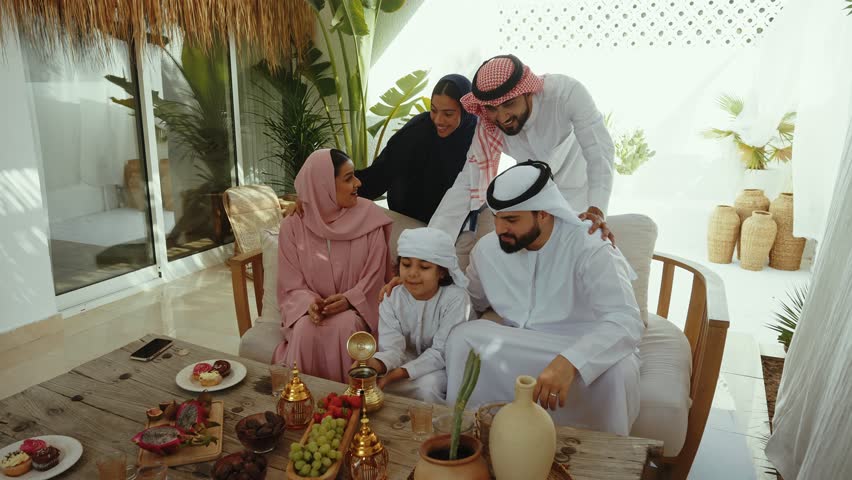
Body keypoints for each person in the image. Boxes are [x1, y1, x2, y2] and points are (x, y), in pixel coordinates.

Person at [444, 161, 643, 435]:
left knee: (618, 371)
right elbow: (468, 300)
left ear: (544, 214)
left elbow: (626, 321)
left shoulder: (589, 245)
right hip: (521, 345)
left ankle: (598, 456)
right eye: (497, 217)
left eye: (512, 220)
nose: (500, 228)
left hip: (583, 347)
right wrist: (420, 284)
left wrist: (571, 361)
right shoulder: (488, 250)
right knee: (462, 337)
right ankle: (471, 435)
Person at [429, 54, 616, 258]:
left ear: (527, 92)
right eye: (492, 108)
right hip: (532, 202)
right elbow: (467, 183)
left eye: (509, 104)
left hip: (578, 198)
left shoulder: (566, 94)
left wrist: (597, 210)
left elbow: (599, 151)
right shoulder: (489, 124)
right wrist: (427, 248)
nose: (502, 117)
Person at [273, 148, 393, 383]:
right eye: (348, 178)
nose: (358, 183)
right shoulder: (294, 224)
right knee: (304, 330)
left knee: (345, 327)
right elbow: (290, 282)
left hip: (354, 310)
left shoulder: (370, 218)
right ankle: (302, 407)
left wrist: (350, 299)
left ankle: (350, 407)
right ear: (323, 185)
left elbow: (376, 275)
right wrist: (310, 304)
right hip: (309, 312)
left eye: (354, 175)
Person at [356, 227, 470, 403]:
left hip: (443, 367)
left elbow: (441, 352)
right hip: (402, 365)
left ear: (441, 272)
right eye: (406, 264)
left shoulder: (455, 299)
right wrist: (375, 365)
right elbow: (392, 348)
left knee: (427, 387)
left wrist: (396, 375)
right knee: (374, 386)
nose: (412, 273)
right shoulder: (392, 297)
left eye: (424, 267)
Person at [357, 74, 478, 225]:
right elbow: (382, 171)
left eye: (448, 114)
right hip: (408, 214)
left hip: (454, 221)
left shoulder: (477, 137)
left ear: (466, 110)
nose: (438, 120)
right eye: (433, 110)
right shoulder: (419, 129)